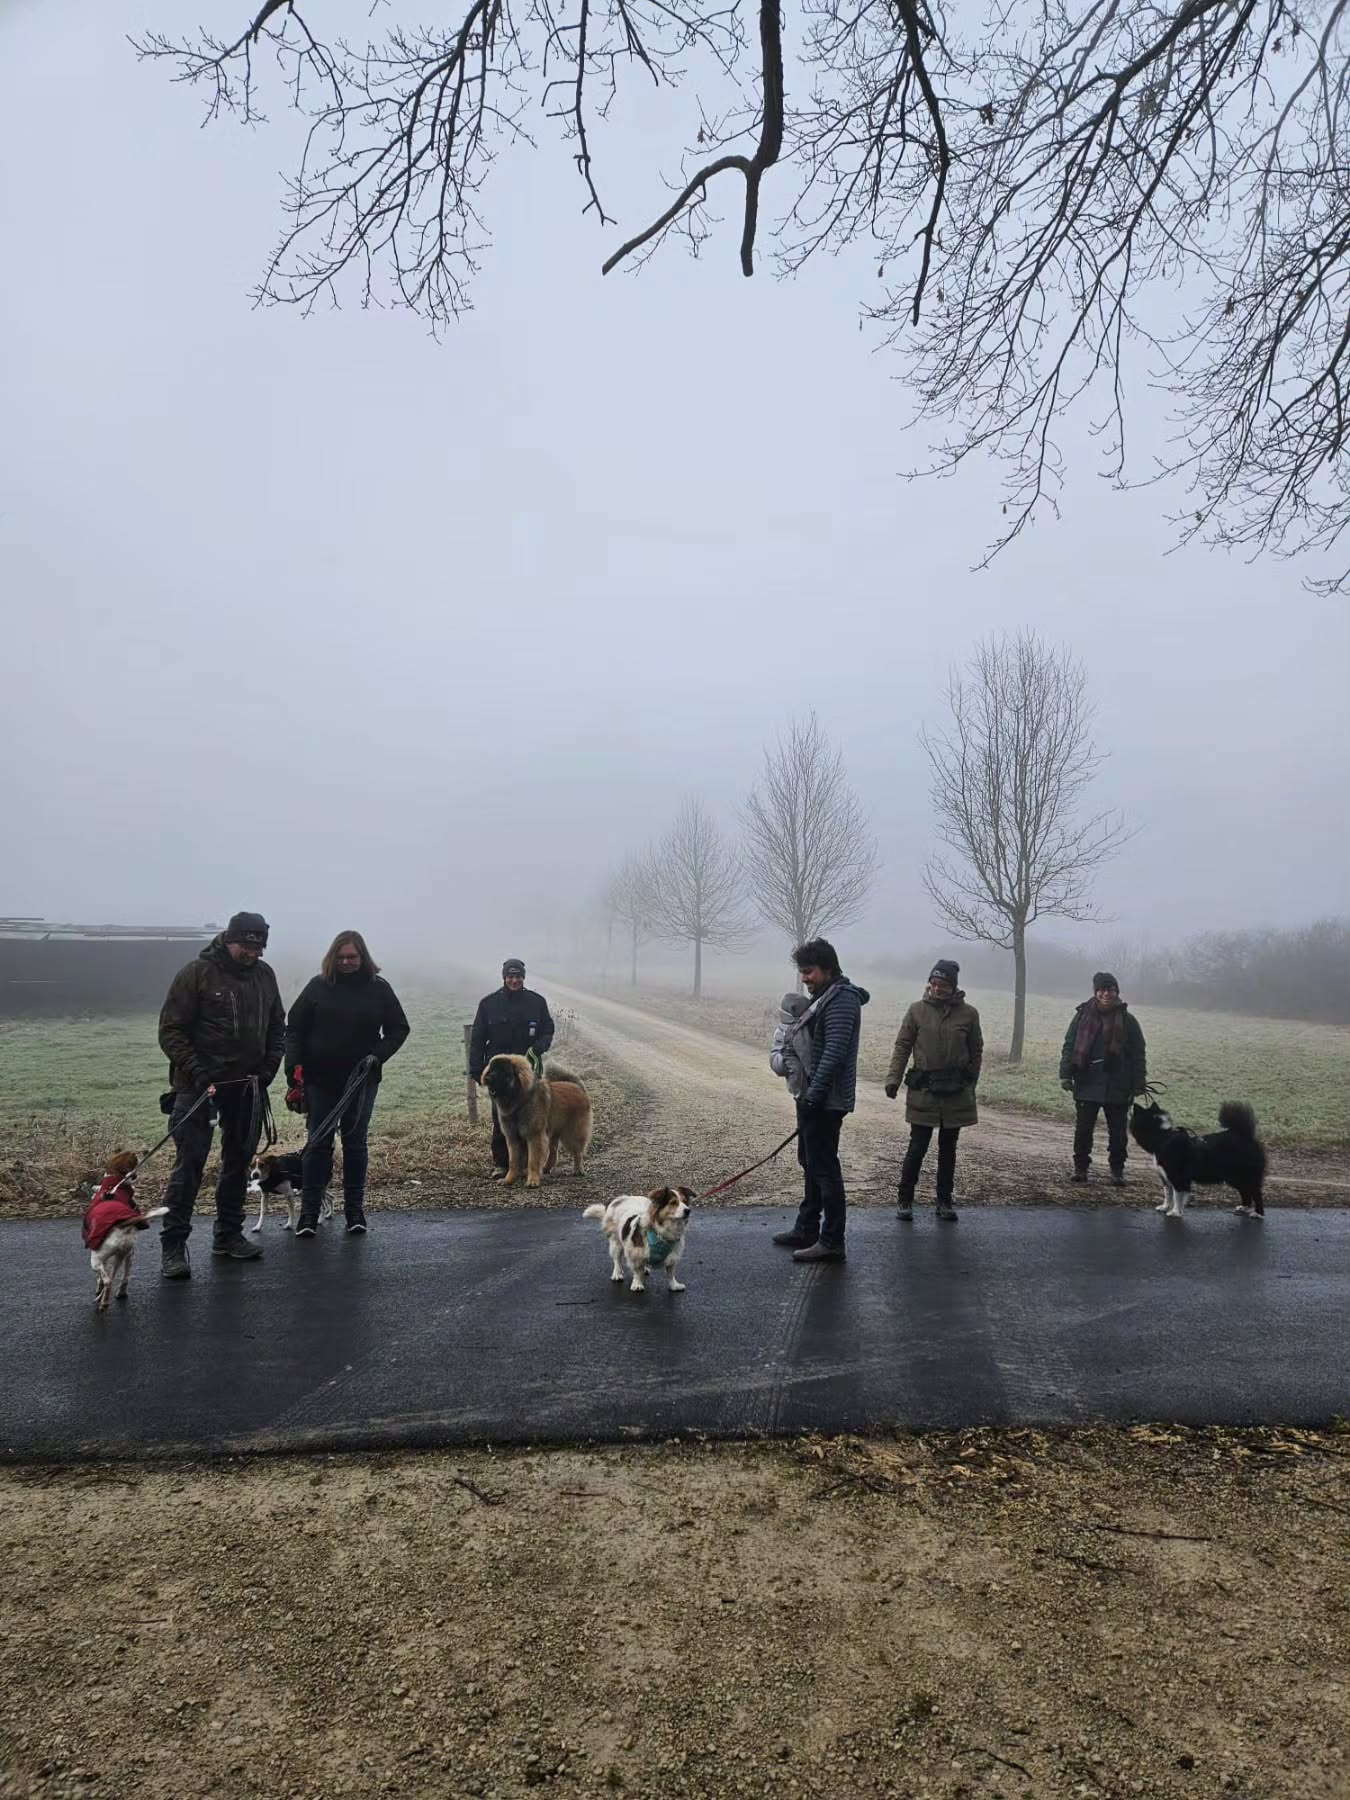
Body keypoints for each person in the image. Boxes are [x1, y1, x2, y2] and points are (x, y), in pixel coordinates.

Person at [156, 911, 285, 1278]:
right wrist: (198, 1073)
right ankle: (174, 1246)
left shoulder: (265, 975)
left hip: (247, 1087)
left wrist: (268, 1069)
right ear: (228, 940)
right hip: (196, 1089)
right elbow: (171, 1031)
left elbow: (278, 1026)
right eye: (246, 945)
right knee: (190, 1166)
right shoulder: (196, 973)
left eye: (258, 946)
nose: (253, 953)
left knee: (239, 1162)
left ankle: (228, 1235)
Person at [284, 930, 411, 1235]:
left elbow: (398, 1028)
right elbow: (295, 1028)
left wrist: (377, 1056)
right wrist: (294, 1069)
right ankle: (309, 1214)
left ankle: (355, 1212)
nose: (346, 962)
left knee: (355, 1145)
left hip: (361, 1081)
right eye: (341, 957)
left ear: (362, 957)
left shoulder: (379, 989)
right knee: (318, 1144)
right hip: (320, 1080)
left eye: (352, 957)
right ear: (332, 958)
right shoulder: (317, 988)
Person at [770, 939, 869, 1264]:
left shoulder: (841, 1001)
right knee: (810, 1163)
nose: (805, 979)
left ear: (828, 968)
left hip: (827, 1100)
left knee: (825, 1168)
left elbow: (834, 1054)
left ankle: (831, 1240)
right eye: (802, 973)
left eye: (809, 972)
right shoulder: (825, 997)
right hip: (814, 1097)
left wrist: (813, 1098)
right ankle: (807, 1228)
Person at [884, 960, 983, 1222]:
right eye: (935, 983)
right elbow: (902, 1046)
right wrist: (893, 1079)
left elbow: (976, 1050)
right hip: (924, 1091)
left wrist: (971, 1080)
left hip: (956, 1092)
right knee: (917, 1147)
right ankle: (905, 1200)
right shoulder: (916, 1011)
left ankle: (944, 1201)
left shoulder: (969, 1014)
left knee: (948, 1149)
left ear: (954, 986)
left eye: (944, 985)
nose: (938, 989)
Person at [468, 958, 555, 1176]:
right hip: (500, 1074)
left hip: (528, 1071)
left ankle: (527, 1165)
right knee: (501, 1117)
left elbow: (548, 1029)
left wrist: (539, 1047)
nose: (514, 980)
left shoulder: (537, 1002)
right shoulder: (488, 1004)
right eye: (510, 976)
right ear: (504, 977)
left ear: (523, 978)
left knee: (531, 1117)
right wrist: (477, 1070)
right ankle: (502, 1164)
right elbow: (478, 1039)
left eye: (518, 976)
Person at [1059, 972, 1147, 1186]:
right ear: (1096, 991)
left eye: (1111, 989)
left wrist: (1138, 1082)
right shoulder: (1081, 1016)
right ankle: (1080, 1169)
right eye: (1102, 989)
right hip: (1086, 1080)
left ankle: (1117, 1171)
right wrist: (1065, 1074)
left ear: (1117, 991)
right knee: (1083, 1131)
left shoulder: (1128, 1020)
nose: (1106, 993)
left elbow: (1138, 1053)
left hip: (1118, 1084)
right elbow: (1070, 1045)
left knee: (1118, 1134)